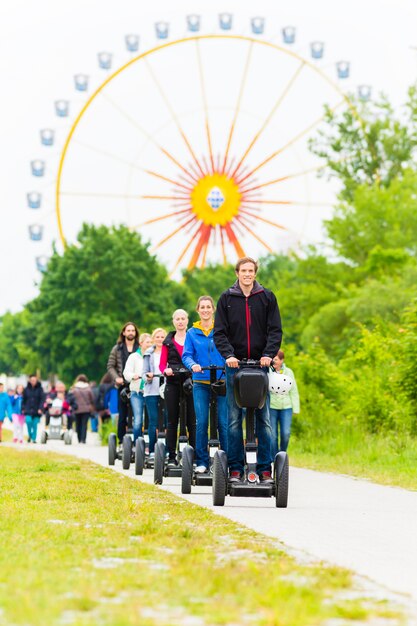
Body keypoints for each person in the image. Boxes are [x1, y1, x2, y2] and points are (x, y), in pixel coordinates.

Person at [214, 256, 282, 484]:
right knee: (233, 419)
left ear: (255, 273)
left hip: (261, 366)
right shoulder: (227, 298)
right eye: (243, 270)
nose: (247, 274)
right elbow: (220, 333)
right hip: (236, 366)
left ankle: (264, 469)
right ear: (237, 273)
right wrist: (229, 355)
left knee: (264, 419)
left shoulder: (266, 297)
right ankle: (234, 468)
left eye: (251, 270)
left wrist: (268, 355)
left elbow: (275, 330)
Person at [183, 295, 228, 473]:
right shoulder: (192, 333)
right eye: (202, 307)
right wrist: (193, 365)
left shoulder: (222, 330)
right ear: (198, 310)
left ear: (213, 309)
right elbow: (186, 355)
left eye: (208, 307)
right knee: (201, 422)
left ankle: (227, 461)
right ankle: (202, 462)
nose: (205, 310)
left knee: (224, 423)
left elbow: (229, 350)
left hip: (221, 380)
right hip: (201, 381)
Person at [160, 310, 196, 466]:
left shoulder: (193, 337)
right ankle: (172, 456)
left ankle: (195, 456)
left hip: (190, 381)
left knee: (192, 421)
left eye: (183, 318)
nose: (180, 321)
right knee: (172, 421)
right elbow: (162, 364)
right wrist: (165, 370)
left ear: (187, 320)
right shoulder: (168, 342)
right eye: (177, 319)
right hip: (173, 381)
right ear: (173, 321)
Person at [107, 322, 140, 447]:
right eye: (128, 330)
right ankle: (121, 441)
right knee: (122, 414)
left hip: (137, 384)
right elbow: (110, 366)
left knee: (138, 414)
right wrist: (117, 378)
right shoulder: (117, 348)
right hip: (122, 385)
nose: (131, 332)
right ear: (124, 333)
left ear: (135, 333)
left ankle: (138, 441)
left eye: (133, 330)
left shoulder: (139, 347)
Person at [270, 350, 300, 455]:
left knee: (286, 433)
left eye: (277, 359)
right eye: (273, 359)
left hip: (286, 407)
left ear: (282, 360)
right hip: (271, 406)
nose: (274, 361)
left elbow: (294, 390)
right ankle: (274, 456)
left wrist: (296, 408)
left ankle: (282, 454)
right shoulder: (269, 371)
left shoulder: (289, 372)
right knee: (272, 434)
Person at [142, 328, 167, 459]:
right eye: (157, 337)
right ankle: (152, 450)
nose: (160, 339)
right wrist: (148, 377)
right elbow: (144, 373)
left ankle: (168, 450)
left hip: (165, 389)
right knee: (154, 420)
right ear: (153, 339)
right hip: (151, 390)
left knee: (168, 420)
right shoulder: (148, 354)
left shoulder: (169, 352)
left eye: (162, 337)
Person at [70, 374, 95, 444]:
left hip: (77, 409)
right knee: (84, 424)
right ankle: (83, 440)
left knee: (78, 424)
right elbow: (92, 399)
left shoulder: (74, 389)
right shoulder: (88, 388)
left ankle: (79, 438)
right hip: (86, 409)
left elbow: (71, 399)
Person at [22, 374, 45, 443]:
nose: (33, 381)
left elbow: (42, 399)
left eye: (34, 380)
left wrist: (40, 408)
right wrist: (23, 408)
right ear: (29, 380)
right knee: (28, 421)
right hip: (28, 409)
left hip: (37, 410)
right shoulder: (26, 389)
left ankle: (34, 438)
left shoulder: (40, 389)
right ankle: (30, 435)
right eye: (32, 380)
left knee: (35, 424)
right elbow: (24, 400)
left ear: (36, 380)